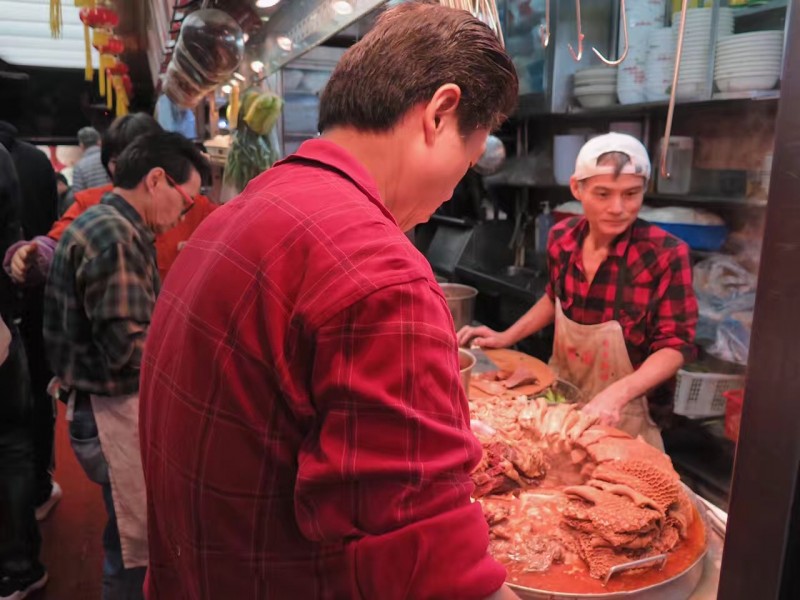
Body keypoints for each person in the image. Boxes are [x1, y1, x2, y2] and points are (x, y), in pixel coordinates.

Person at [139, 3, 519, 599]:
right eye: (467, 162)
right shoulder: (383, 270)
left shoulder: (237, 214)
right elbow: (436, 572)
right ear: (441, 113)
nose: (451, 192)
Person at [43, 131, 209, 599]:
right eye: (185, 202)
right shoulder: (117, 237)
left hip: (93, 407)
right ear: (157, 180)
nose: (182, 215)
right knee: (134, 550)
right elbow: (130, 351)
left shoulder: (102, 220)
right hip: (109, 415)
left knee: (126, 536)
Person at [458, 133, 698, 449]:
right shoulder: (563, 238)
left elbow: (675, 347)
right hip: (562, 399)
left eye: (631, 194)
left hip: (626, 415)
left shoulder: (665, 254)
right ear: (577, 188)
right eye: (603, 194)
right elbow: (554, 298)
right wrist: (506, 337)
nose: (618, 208)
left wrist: (617, 395)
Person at [3, 113, 218, 286]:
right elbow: (58, 244)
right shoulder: (93, 203)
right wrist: (33, 254)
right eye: (117, 160)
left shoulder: (191, 205)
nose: (129, 166)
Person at [0, 121, 63, 523]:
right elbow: (43, 228)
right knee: (20, 425)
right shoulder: (35, 160)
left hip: (14, 298)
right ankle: (37, 493)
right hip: (23, 304)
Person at [0, 143, 47, 600]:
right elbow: (14, 236)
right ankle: (18, 565)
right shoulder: (11, 159)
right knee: (13, 443)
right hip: (1, 323)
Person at [71, 126, 111, 192]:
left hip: (92, 202)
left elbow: (77, 193)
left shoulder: (79, 167)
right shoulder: (110, 158)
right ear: (99, 142)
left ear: (81, 145)